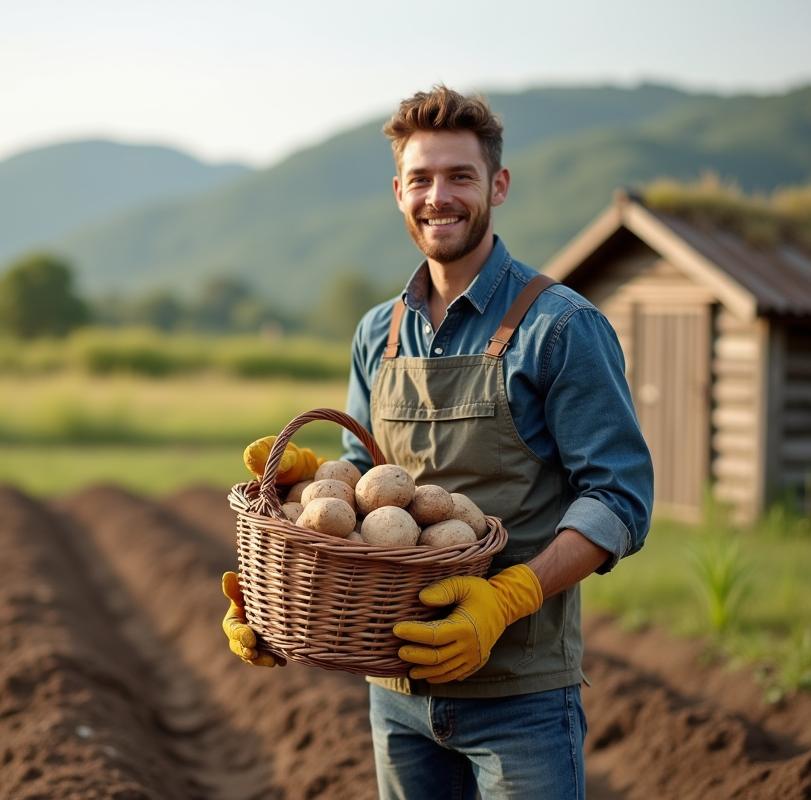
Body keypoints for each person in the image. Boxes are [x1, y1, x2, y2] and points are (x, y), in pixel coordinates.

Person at [222, 85, 654, 800]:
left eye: (460, 176)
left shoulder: (561, 327)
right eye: (421, 178)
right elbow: (367, 476)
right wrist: (283, 588)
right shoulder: (377, 332)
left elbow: (621, 498)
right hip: (396, 691)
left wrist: (510, 595)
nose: (438, 196)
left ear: (498, 186)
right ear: (399, 191)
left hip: (520, 693)